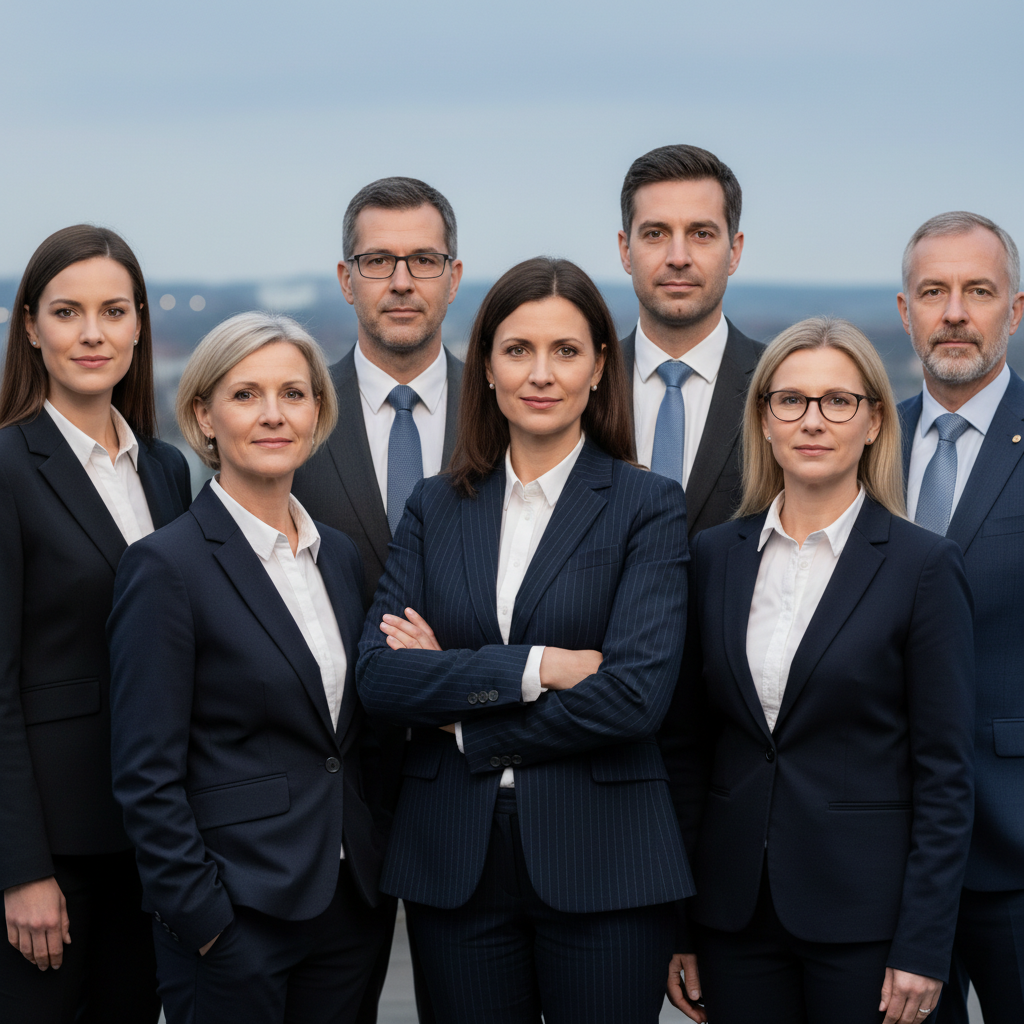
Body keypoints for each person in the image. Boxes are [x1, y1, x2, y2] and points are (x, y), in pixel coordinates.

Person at [355, 257, 694, 1024]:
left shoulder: (647, 506)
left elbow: (634, 697)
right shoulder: (435, 506)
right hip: (455, 858)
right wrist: (541, 666)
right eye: (517, 350)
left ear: (600, 368)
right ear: (486, 368)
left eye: (565, 351)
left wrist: (464, 718)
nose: (541, 374)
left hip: (605, 857)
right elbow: (379, 677)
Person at [662, 317, 975, 1024]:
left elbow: (945, 776)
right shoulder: (713, 556)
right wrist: (681, 924)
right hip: (734, 917)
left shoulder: (924, 567)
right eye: (790, 400)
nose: (812, 420)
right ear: (763, 419)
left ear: (873, 422)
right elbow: (687, 751)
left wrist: (925, 944)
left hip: (867, 922)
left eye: (838, 400)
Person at [107, 313, 394, 1024]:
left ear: (317, 412)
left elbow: (348, 740)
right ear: (204, 415)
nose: (273, 415)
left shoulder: (338, 557)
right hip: (236, 917)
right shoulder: (165, 567)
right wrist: (205, 921)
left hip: (348, 909)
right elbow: (145, 773)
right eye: (245, 394)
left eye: (293, 394)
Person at [0, 225, 191, 1022]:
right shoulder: (8, 466)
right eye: (66, 312)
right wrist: (20, 869)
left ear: (139, 324)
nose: (92, 333)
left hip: (154, 844)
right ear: (31, 328)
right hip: (54, 851)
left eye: (113, 311)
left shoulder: (166, 468)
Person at [290, 174, 465, 1022]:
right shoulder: (290, 415)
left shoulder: (513, 410)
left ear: (454, 276)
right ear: (345, 276)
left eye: (423, 260)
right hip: (330, 787)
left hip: (471, 775)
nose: (401, 281)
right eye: (378, 260)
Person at [896, 212, 1024, 1024]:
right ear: (904, 309)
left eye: (978, 291)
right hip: (889, 850)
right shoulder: (868, 441)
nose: (953, 313)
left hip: (1017, 841)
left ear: (1015, 309)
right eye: (933, 292)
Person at [617, 144, 764, 535]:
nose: (678, 257)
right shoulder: (583, 384)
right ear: (625, 251)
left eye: (701, 234)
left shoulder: (779, 387)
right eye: (655, 233)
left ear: (734, 251)